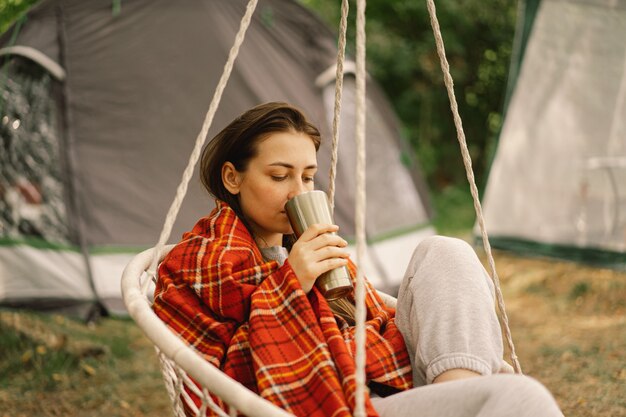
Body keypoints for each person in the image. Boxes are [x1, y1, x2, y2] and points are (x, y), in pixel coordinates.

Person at [153, 102, 563, 417]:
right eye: (280, 176)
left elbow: (371, 323)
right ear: (232, 178)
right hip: (332, 402)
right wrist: (289, 287)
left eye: (308, 176)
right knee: (520, 397)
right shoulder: (196, 265)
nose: (298, 191)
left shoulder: (308, 246)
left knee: (446, 250)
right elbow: (215, 389)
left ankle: (456, 391)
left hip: (389, 379)